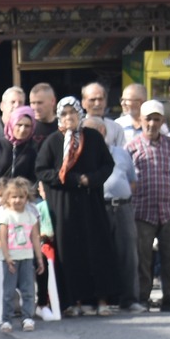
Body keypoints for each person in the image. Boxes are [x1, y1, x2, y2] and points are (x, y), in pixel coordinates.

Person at [36, 96, 117, 316]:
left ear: (80, 114)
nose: (68, 117)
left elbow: (107, 164)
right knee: (69, 252)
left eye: (72, 113)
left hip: (91, 203)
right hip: (63, 205)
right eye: (64, 114)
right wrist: (70, 179)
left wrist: (90, 179)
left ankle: (101, 300)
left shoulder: (92, 137)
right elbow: (42, 170)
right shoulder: (53, 141)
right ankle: (73, 301)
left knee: (97, 249)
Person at [127, 101, 170, 311]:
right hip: (143, 210)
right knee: (142, 258)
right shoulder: (131, 147)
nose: (152, 123)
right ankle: (142, 298)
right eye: (148, 119)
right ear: (140, 120)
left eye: (156, 119)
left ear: (162, 121)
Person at [88, 114, 139, 311]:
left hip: (123, 207)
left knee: (128, 254)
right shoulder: (83, 155)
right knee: (98, 254)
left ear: (103, 132)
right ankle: (100, 300)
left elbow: (132, 181)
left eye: (93, 131)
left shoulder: (120, 153)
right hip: (98, 207)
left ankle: (129, 299)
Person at [0, 176, 42, 333]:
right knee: (9, 291)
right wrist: (7, 257)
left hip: (26, 257)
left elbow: (35, 237)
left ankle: (27, 317)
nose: (17, 200)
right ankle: (6, 319)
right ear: (7, 198)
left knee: (28, 290)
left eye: (21, 197)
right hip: (10, 259)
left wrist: (39, 259)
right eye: (14, 197)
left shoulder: (30, 215)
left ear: (27, 197)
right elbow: (2, 239)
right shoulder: (5, 216)